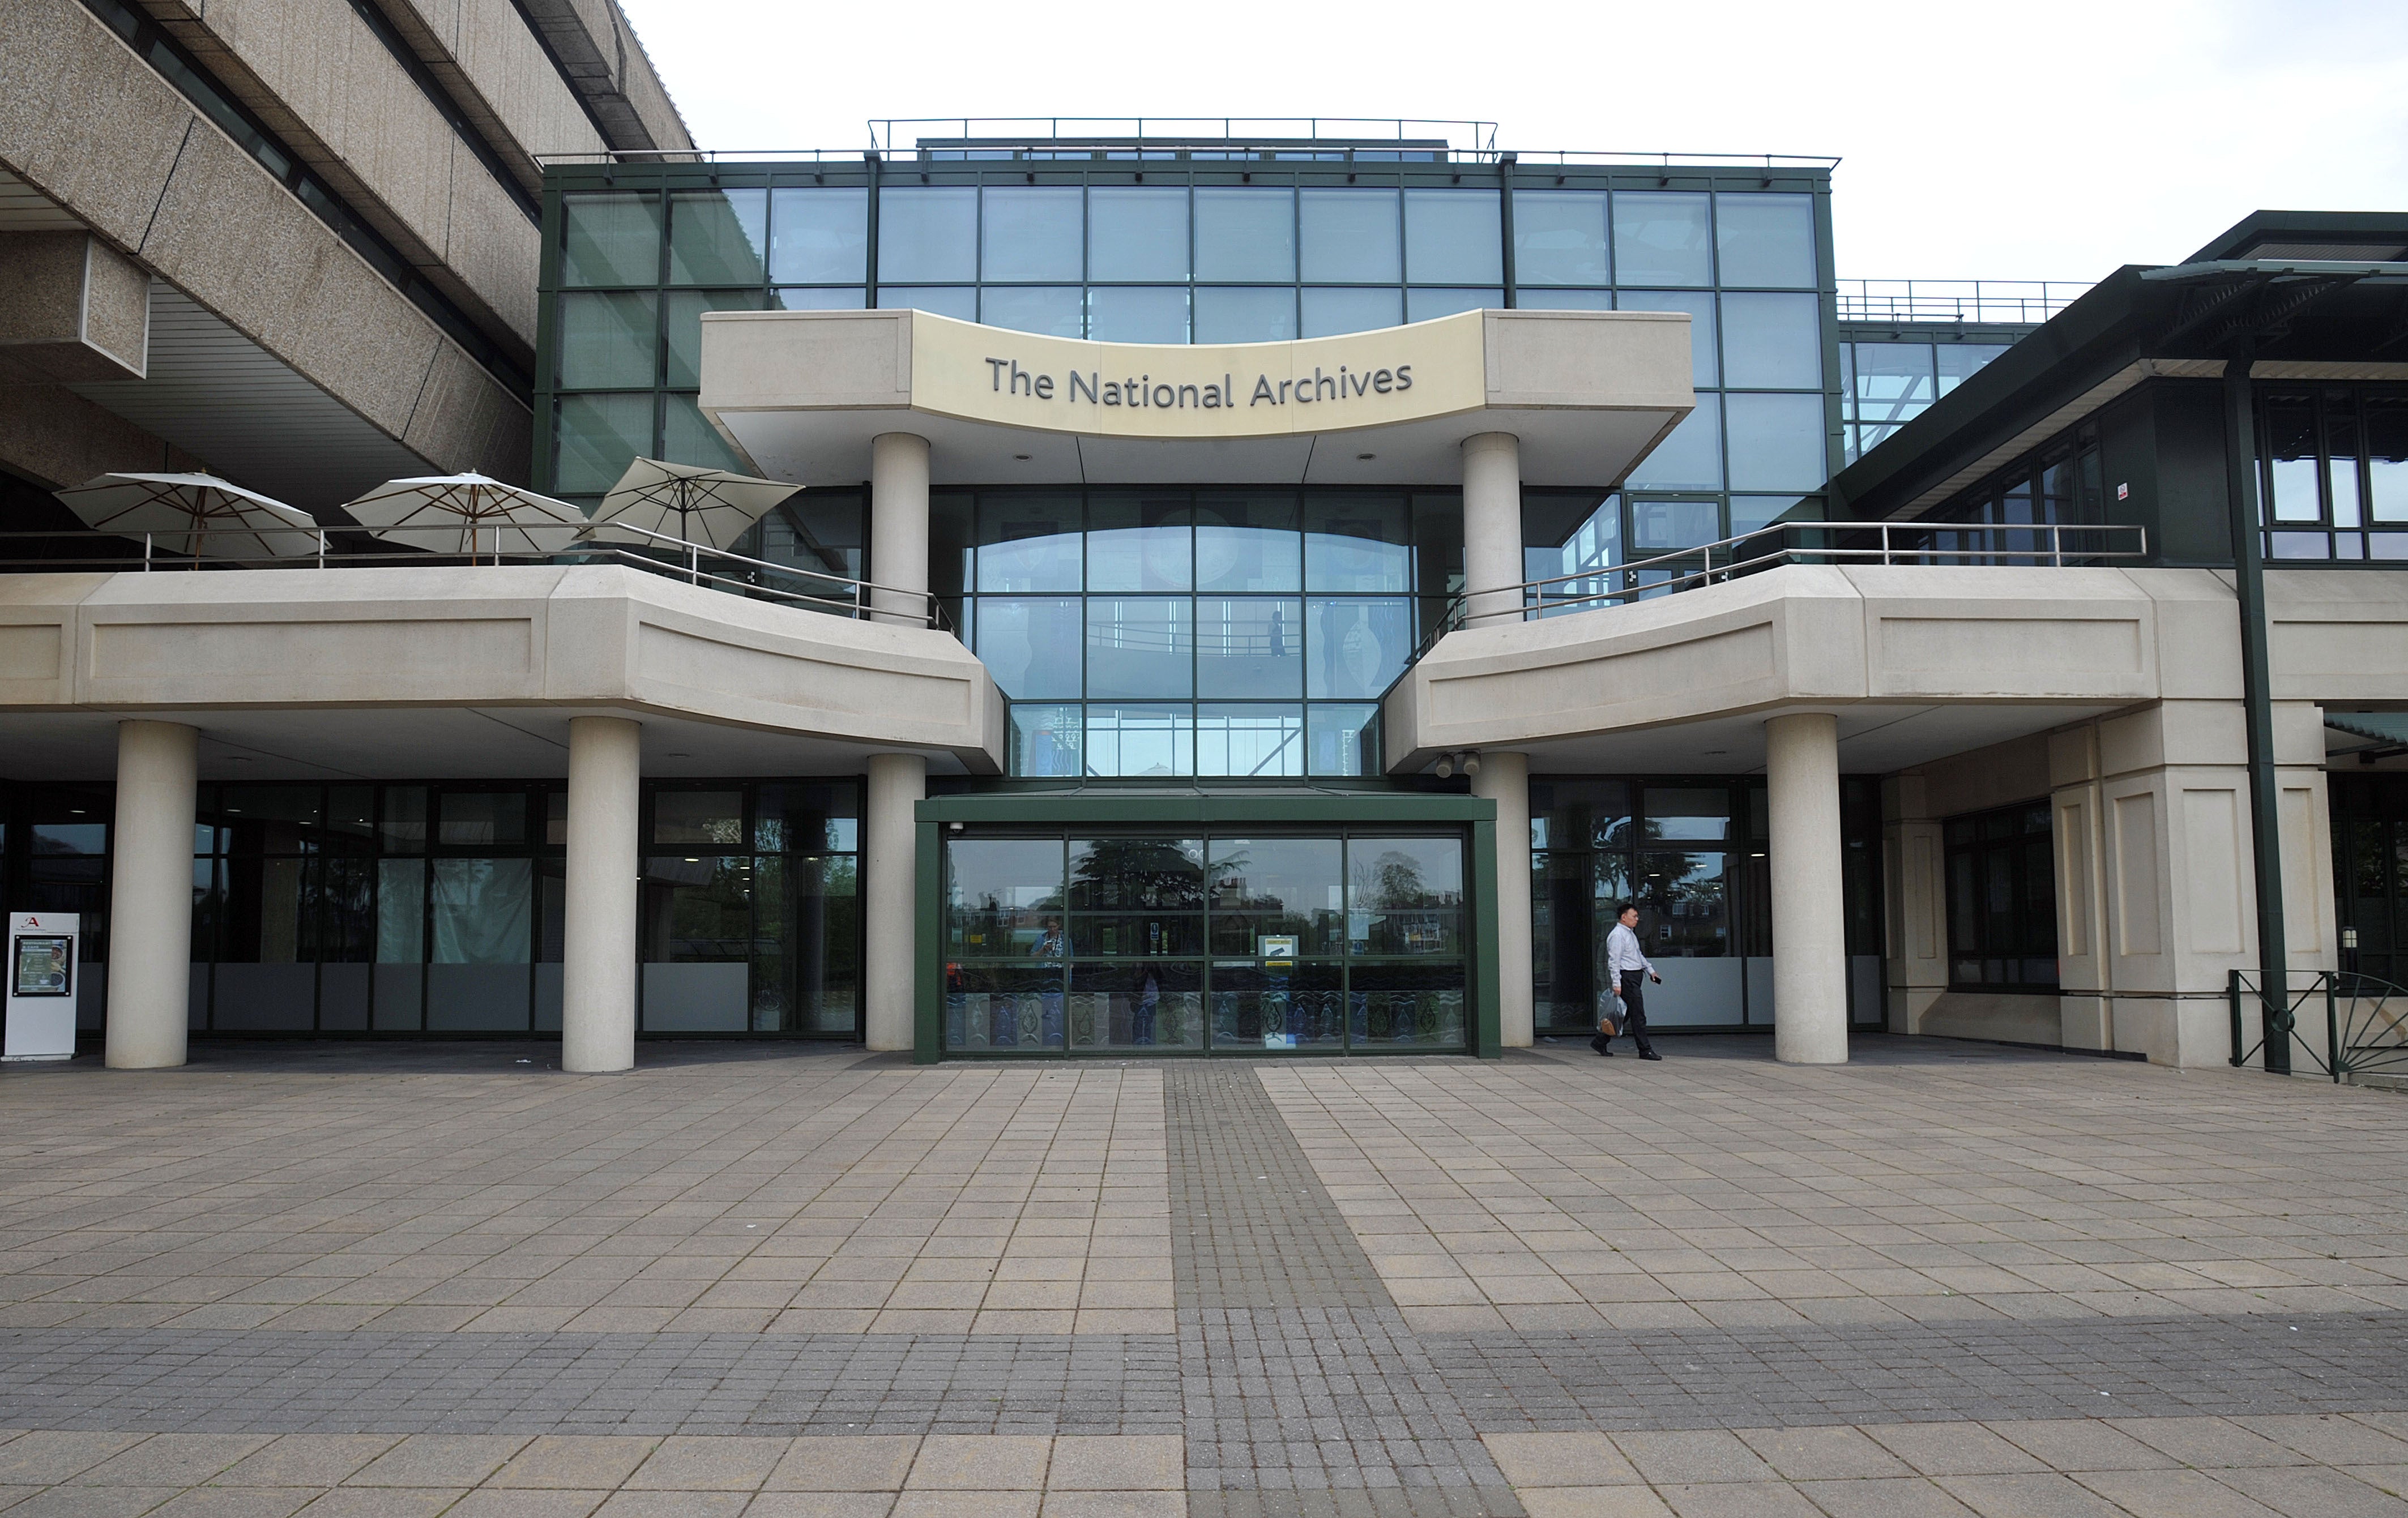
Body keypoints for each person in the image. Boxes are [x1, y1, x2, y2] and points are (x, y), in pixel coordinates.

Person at [1595, 901, 1662, 1061]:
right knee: (1638, 1015)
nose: (1637, 919)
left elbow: (1638, 955)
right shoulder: (1617, 935)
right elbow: (1614, 961)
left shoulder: (1629, 933)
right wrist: (1616, 983)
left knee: (1624, 1014)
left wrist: (1650, 971)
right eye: (1634, 916)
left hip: (1634, 977)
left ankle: (1600, 1041)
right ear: (1624, 917)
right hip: (1627, 978)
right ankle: (1645, 1050)